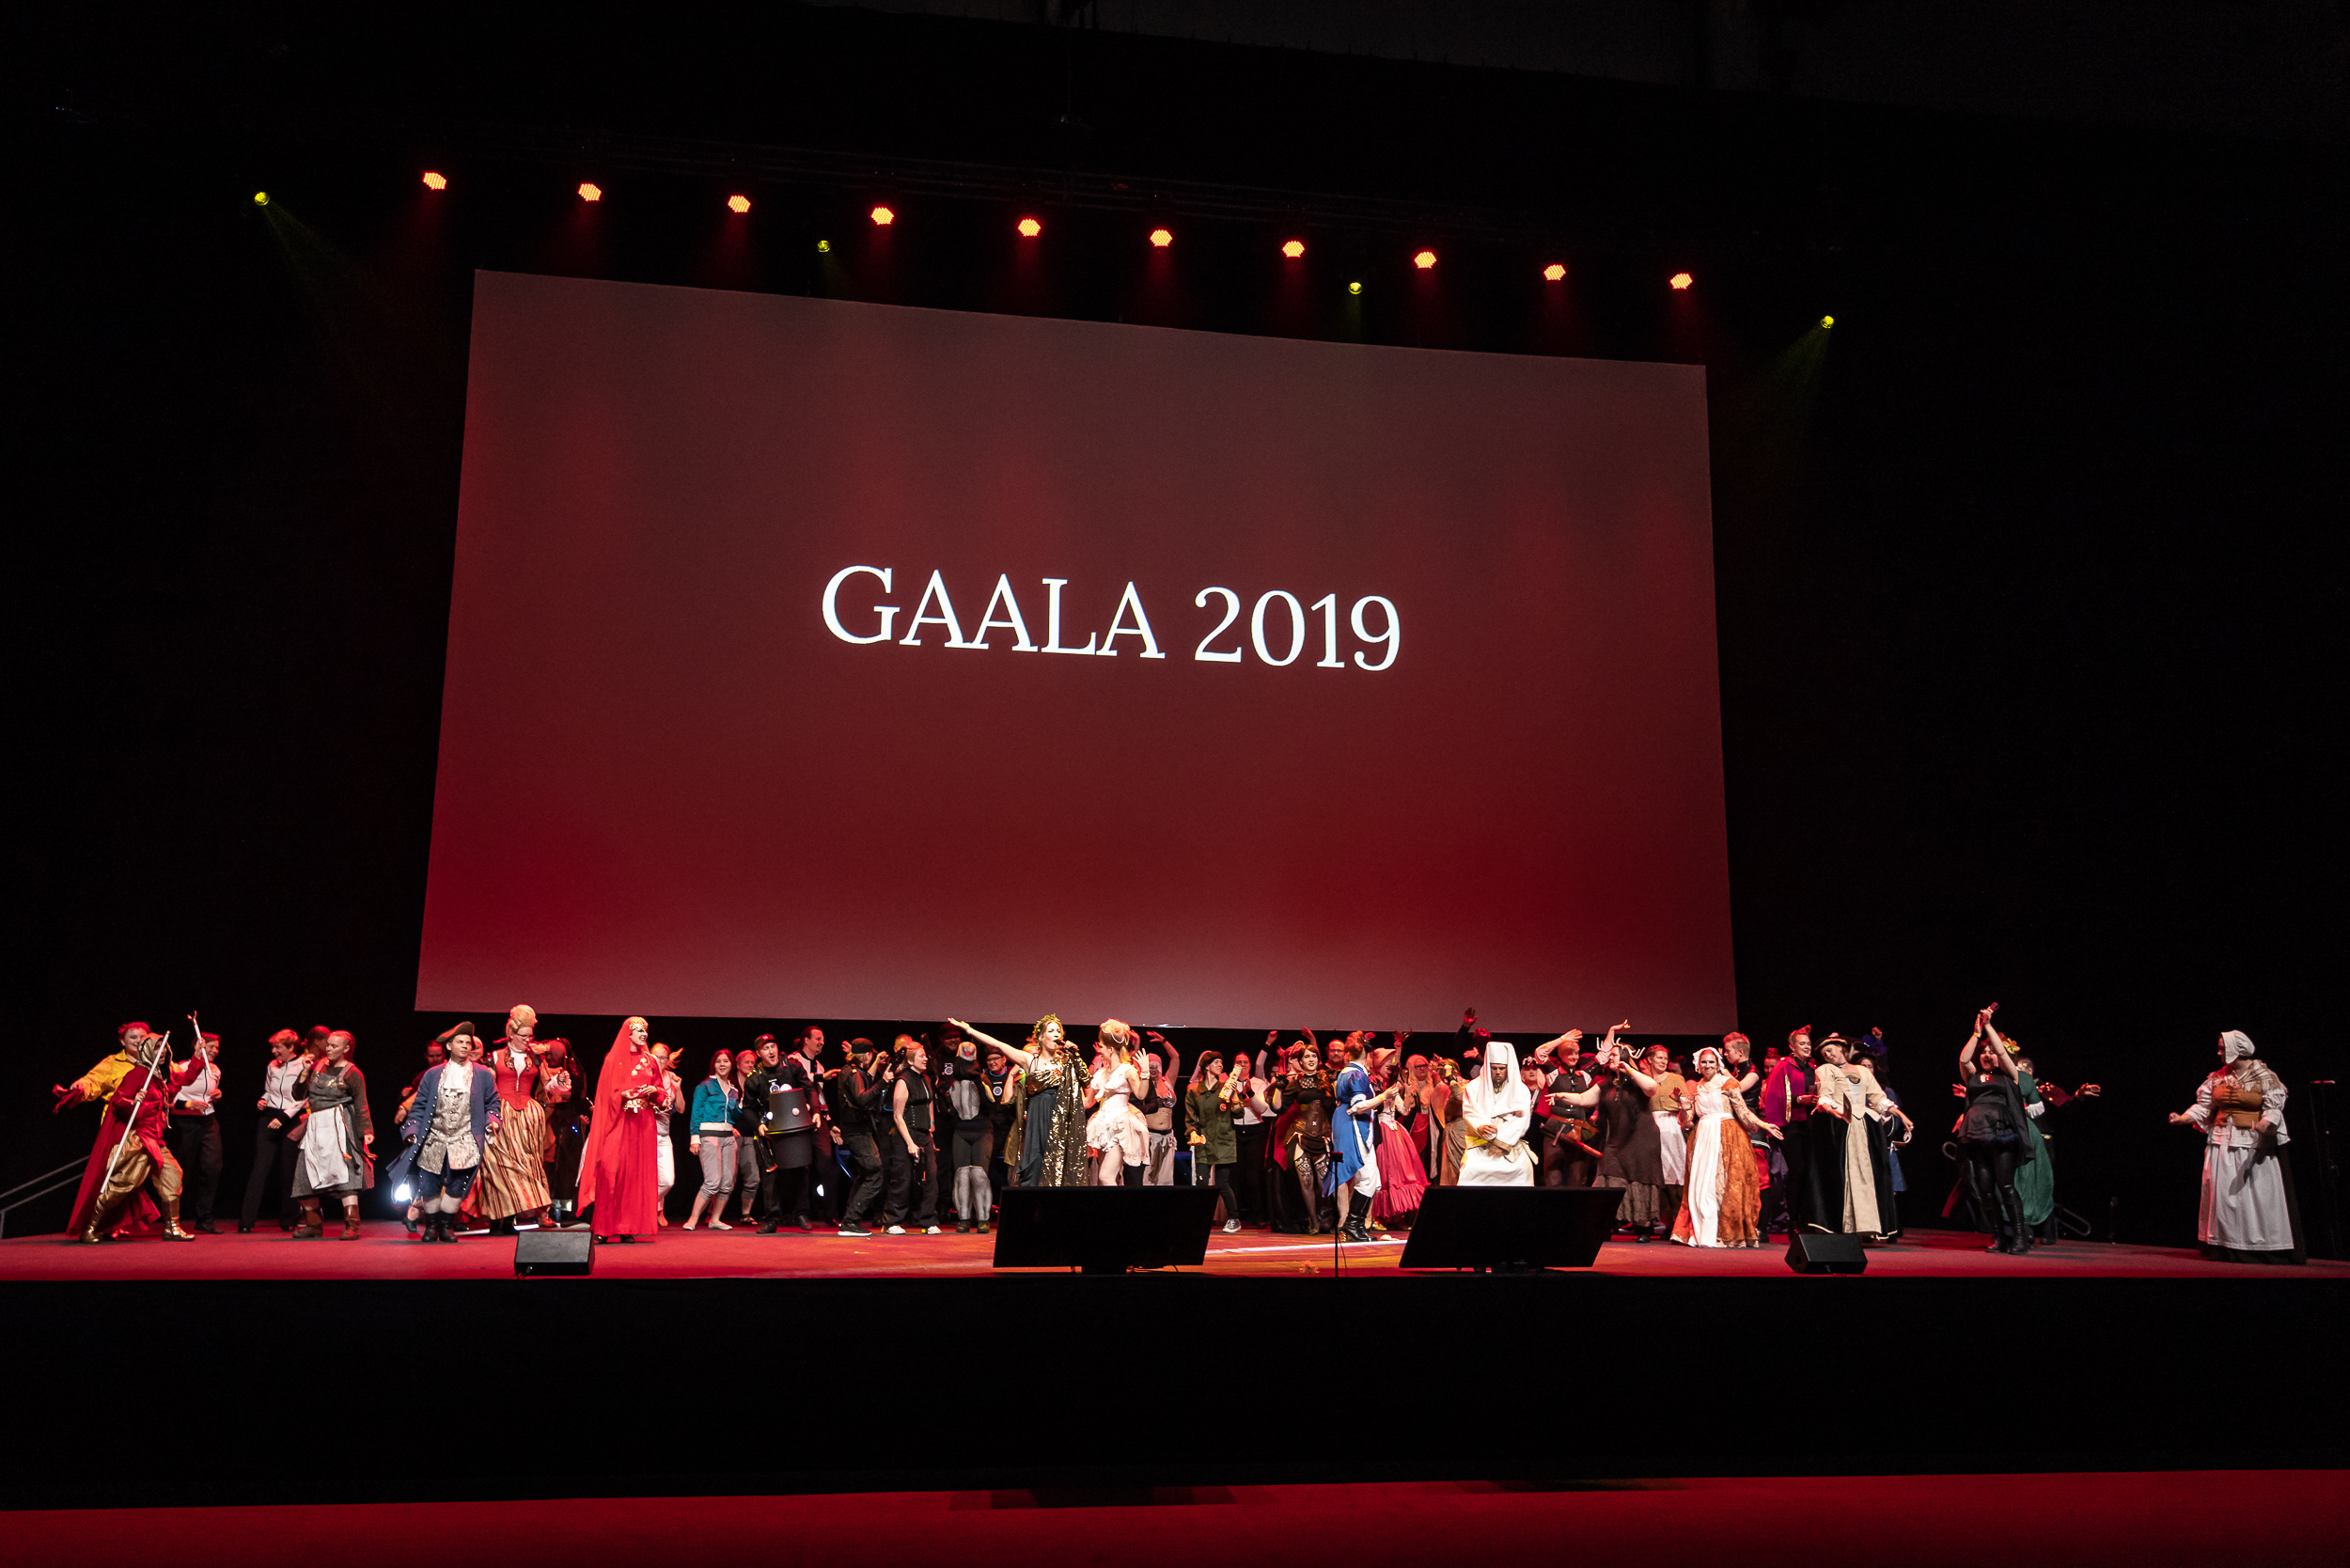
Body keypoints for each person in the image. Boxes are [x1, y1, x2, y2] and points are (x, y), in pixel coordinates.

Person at [2170, 1029, 2305, 1264]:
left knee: (2256, 1197)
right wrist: (2183, 1118)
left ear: (2238, 1049)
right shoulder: (2217, 1078)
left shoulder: (2264, 1076)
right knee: (2224, 1197)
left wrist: (2266, 1123)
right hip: (2222, 1141)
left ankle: (2261, 1248)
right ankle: (2225, 1246)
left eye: (2223, 1048)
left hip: (2252, 1145)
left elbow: (2274, 1107)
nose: (2219, 1053)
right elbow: (2204, 1107)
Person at [66, 1027, 200, 1243]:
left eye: (164, 1047)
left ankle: (172, 1228)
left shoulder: (159, 1077)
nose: (162, 1051)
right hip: (137, 1140)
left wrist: (198, 1057)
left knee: (173, 1176)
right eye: (156, 1047)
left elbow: (183, 1081)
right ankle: (90, 1228)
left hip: (155, 1140)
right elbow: (118, 1101)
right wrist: (133, 1101)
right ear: (146, 1050)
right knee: (120, 1186)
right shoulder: (138, 1074)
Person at [389, 1025, 500, 1243]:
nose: (465, 1046)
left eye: (468, 1043)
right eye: (460, 1042)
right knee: (429, 1183)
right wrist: (412, 1130)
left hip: (465, 1138)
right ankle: (432, 1226)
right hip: (435, 1137)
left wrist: (492, 1122)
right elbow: (419, 1106)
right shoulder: (432, 1075)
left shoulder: (483, 1075)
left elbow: (493, 1103)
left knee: (458, 1183)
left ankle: (446, 1225)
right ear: (449, 1046)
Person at [951, 1016, 1089, 1187]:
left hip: (1061, 1115)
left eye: (1058, 1031)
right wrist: (969, 1030)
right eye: (1051, 1031)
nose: (1056, 1034)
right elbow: (998, 1044)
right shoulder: (1030, 1060)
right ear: (1041, 1037)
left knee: (1059, 1161)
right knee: (1038, 1160)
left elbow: (1086, 1081)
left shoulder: (1066, 1061)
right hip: (1039, 1113)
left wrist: (1075, 1055)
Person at [1670, 1043, 1779, 1247]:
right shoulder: (1696, 1088)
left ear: (1718, 1064)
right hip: (1703, 1136)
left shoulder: (1728, 1083)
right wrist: (1682, 1105)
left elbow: (1743, 1111)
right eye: (1704, 1062)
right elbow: (1686, 1121)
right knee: (1701, 1184)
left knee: (1722, 1183)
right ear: (1698, 1065)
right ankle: (1702, 1230)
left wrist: (1764, 1125)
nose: (1707, 1065)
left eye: (1711, 1062)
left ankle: (1723, 1231)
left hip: (1727, 1135)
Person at [1953, 1008, 2038, 1256]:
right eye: (1984, 1053)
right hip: (1977, 1134)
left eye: (1991, 1052)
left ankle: (2019, 1238)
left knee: (2006, 1185)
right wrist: (1976, 1034)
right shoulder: (1974, 1077)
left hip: (2002, 1134)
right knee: (1985, 1189)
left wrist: (1989, 1026)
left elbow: (2002, 1052)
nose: (1987, 1055)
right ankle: (1999, 1237)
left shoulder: (2009, 1076)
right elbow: (1964, 1060)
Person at [1809, 1034, 1909, 1241]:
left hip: (1866, 1126)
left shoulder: (1862, 1071)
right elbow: (1825, 1097)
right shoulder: (1825, 1070)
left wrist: (1902, 1116)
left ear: (1841, 1048)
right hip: (1841, 1126)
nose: (1828, 1055)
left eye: (1831, 1050)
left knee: (1869, 1173)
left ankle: (1868, 1226)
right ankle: (1847, 1226)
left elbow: (1878, 1098)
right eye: (1825, 1054)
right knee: (1847, 1174)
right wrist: (1830, 1110)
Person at [577, 1017, 664, 1243]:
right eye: (638, 1030)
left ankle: (627, 1228)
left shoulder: (651, 1061)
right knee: (609, 1172)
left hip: (642, 1124)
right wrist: (621, 1095)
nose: (643, 1034)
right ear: (628, 1034)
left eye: (645, 1030)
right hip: (617, 1121)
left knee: (633, 1176)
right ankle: (603, 1228)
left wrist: (655, 1091)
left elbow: (661, 1092)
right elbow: (603, 1094)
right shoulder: (613, 1059)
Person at [290, 1030, 374, 1239]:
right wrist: (304, 1072)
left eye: (334, 1046)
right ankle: (313, 1224)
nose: (328, 1049)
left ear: (346, 1048)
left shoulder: (353, 1072)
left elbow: (361, 1103)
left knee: (346, 1174)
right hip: (315, 1125)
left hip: (340, 1125)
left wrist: (366, 1130)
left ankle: (352, 1225)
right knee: (305, 1173)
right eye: (328, 1044)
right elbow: (298, 1095)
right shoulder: (315, 1066)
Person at [478, 1006, 554, 1235]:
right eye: (523, 1035)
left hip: (528, 1119)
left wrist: (558, 1082)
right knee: (499, 1166)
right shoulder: (494, 1057)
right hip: (500, 1115)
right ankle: (496, 1218)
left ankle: (511, 1218)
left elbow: (547, 1087)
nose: (528, 1040)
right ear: (511, 1033)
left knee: (525, 1165)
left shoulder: (536, 1059)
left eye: (530, 1035)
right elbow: (485, 1089)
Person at [1592, 1028, 1667, 1238]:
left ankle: (1643, 1227)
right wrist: (1561, 1096)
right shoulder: (1607, 1084)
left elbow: (1652, 1087)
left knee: (1640, 1180)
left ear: (1624, 1058)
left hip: (1642, 1141)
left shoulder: (1638, 1081)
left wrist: (1630, 1070)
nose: (1611, 1058)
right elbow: (1583, 1099)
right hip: (1617, 1141)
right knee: (1610, 1178)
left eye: (1614, 1055)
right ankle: (1608, 1224)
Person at [755, 1029, 829, 1232]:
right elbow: (749, 1107)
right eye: (766, 1049)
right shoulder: (756, 1076)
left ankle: (801, 1214)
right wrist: (758, 1124)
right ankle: (773, 1219)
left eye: (773, 1046)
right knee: (771, 1175)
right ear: (759, 1053)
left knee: (800, 1169)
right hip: (770, 1131)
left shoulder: (792, 1065)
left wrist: (815, 1112)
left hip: (795, 1127)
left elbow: (810, 1089)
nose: (771, 1051)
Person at [1328, 1041, 1402, 1238]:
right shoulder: (1356, 1074)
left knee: (1373, 1179)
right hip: (1354, 1128)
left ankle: (1357, 1225)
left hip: (1354, 1126)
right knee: (1368, 1178)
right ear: (1366, 1055)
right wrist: (1384, 1096)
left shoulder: (1348, 1072)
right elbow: (1358, 1106)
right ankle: (1352, 1224)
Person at [239, 1028, 307, 1232]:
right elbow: (269, 1091)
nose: (274, 1051)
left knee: (289, 1170)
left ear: (291, 1047)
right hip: (270, 1119)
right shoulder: (272, 1066)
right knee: (260, 1169)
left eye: (278, 1047)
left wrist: (283, 1117)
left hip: (290, 1120)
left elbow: (302, 1097)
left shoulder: (303, 1065)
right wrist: (263, 1100)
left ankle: (288, 1219)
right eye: (273, 1047)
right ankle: (246, 1221)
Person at [1268, 1041, 1336, 1231]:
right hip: (1300, 1135)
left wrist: (1334, 1083)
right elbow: (1278, 1108)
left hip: (1323, 1137)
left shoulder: (1327, 1080)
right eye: (1307, 1056)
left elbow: (1338, 1103)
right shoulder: (1295, 1084)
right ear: (1301, 1061)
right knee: (1306, 1181)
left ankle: (1325, 1219)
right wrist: (1279, 1087)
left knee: (1323, 1182)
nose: (1311, 1059)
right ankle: (1313, 1220)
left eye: (1314, 1056)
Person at [937, 1027, 999, 1233]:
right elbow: (949, 1110)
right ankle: (963, 1218)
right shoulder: (953, 1083)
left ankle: (983, 1218)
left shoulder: (983, 1080)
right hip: (961, 1131)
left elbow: (991, 1105)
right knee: (962, 1175)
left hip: (982, 1131)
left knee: (979, 1175)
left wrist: (978, 1083)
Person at [165, 1026, 226, 1232]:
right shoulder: (180, 1068)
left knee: (212, 1169)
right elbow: (168, 1101)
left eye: (216, 1047)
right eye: (210, 1047)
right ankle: (173, 1219)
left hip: (209, 1122)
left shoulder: (215, 1070)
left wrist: (217, 1095)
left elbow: (208, 1093)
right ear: (198, 1047)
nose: (214, 1051)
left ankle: (205, 1219)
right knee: (182, 1171)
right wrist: (189, 1105)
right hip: (184, 1123)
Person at [827, 1039, 889, 1235]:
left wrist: (877, 1064)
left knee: (866, 1175)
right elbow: (862, 1098)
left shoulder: (851, 1070)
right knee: (875, 1173)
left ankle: (849, 1219)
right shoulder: (853, 1073)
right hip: (857, 1131)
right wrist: (883, 1082)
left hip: (856, 1129)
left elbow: (865, 1080)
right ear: (867, 1055)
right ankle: (850, 1221)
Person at [1760, 1027, 1818, 1236]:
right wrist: (1799, 1100)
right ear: (1792, 1047)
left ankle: (1809, 1218)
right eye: (1802, 1044)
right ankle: (1792, 1220)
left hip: (1810, 1125)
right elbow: (1774, 1096)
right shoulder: (1783, 1066)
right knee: (1797, 1171)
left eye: (1808, 1043)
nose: (1807, 1047)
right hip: (1790, 1125)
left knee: (1810, 1172)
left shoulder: (1813, 1068)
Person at [1367, 1044, 1430, 1230]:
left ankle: (1396, 1216)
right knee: (1384, 1174)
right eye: (1385, 1062)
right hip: (1380, 1130)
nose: (1389, 1066)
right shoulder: (1371, 1085)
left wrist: (1408, 1092)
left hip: (1395, 1131)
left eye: (1390, 1063)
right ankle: (1378, 1217)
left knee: (1399, 1174)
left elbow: (1404, 1110)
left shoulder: (1391, 1087)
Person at [883, 1036, 941, 1234]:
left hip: (924, 1134)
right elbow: (897, 1115)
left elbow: (929, 1103)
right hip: (905, 1134)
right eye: (921, 1056)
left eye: (925, 1056)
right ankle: (892, 1221)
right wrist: (909, 1143)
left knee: (931, 1177)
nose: (925, 1059)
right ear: (910, 1059)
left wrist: (931, 1127)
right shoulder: (903, 1080)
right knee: (903, 1178)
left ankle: (928, 1220)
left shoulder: (925, 1079)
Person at [1455, 1041, 1535, 1185]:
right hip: (1480, 1143)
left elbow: (1521, 1120)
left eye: (1502, 1068)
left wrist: (1501, 1142)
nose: (1498, 1072)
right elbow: (1470, 1112)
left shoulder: (1521, 1089)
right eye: (1494, 1068)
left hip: (1510, 1142)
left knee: (1524, 1168)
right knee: (1470, 1170)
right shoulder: (1473, 1087)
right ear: (1487, 1067)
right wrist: (1481, 1126)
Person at [683, 1048, 744, 1231]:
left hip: (728, 1138)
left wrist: (741, 1104)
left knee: (727, 1184)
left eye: (726, 1061)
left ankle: (715, 1219)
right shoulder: (705, 1086)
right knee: (712, 1182)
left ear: (731, 1065)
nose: (722, 1064)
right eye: (719, 1061)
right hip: (709, 1136)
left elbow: (734, 1115)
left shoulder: (734, 1090)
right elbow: (696, 1113)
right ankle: (692, 1220)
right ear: (714, 1065)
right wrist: (694, 1139)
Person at [1084, 1022, 1151, 1187]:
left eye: (1101, 1047)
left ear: (1111, 1049)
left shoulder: (1127, 1070)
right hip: (1102, 1126)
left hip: (1120, 1127)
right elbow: (1088, 1102)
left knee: (1105, 1177)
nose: (1099, 1050)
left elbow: (1141, 1094)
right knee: (1110, 1179)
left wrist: (1145, 1072)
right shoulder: (1101, 1072)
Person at [1185, 1050, 1243, 1232]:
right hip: (1204, 1142)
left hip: (1224, 1141)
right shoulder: (1194, 1091)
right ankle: (1200, 1219)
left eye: (1221, 1062)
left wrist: (1234, 1097)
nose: (1220, 1065)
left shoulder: (1226, 1087)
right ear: (1207, 1066)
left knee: (1222, 1183)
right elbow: (1190, 1119)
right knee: (1201, 1183)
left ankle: (1234, 1218)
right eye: (1216, 1062)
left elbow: (1239, 1113)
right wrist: (1192, 1133)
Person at [52, 1022, 151, 1116]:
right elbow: (94, 1080)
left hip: (147, 1121)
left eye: (142, 1037)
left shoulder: (154, 1062)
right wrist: (82, 1086)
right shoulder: (112, 1063)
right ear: (122, 1041)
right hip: (118, 1119)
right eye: (133, 1037)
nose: (138, 1041)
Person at [540, 1038, 588, 1224]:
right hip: (545, 1123)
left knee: (566, 1167)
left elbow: (572, 1094)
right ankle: (544, 1208)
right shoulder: (540, 1069)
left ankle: (564, 1210)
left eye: (553, 1054)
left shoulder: (573, 1072)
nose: (548, 1057)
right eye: (547, 1054)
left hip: (567, 1125)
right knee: (547, 1167)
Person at [650, 1043, 684, 1226]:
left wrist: (677, 1088)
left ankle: (648, 1208)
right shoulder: (644, 1076)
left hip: (663, 1134)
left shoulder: (672, 1078)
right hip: (646, 1132)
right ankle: (653, 1211)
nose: (659, 1061)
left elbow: (681, 1108)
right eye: (655, 1057)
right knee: (648, 1176)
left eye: (663, 1057)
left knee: (668, 1180)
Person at [1140, 1033, 1181, 1185]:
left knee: (1166, 1179)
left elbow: (1175, 1057)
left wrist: (1163, 1041)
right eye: (1150, 1065)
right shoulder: (1142, 1084)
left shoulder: (1168, 1081)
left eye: (1156, 1065)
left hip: (1167, 1137)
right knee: (1147, 1178)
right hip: (1150, 1137)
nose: (1153, 1068)